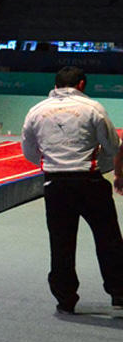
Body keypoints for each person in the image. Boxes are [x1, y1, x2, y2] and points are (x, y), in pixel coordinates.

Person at [20, 65, 123, 315]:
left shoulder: (36, 111)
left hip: (55, 184)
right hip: (88, 182)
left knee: (61, 243)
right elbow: (113, 147)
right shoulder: (93, 109)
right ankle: (119, 292)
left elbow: (29, 152)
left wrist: (53, 165)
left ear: (55, 85)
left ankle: (65, 299)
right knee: (109, 240)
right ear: (81, 85)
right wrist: (105, 168)